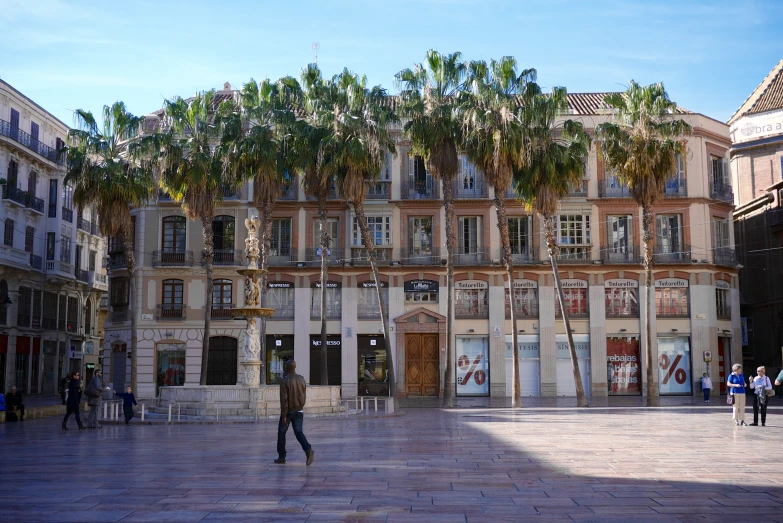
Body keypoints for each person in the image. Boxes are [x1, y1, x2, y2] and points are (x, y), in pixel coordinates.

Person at [275, 360, 314, 466]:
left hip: (289, 411)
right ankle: (308, 449)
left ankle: (282, 456)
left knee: (281, 432)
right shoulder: (301, 379)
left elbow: (284, 399)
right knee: (298, 432)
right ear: (295, 367)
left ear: (286, 367)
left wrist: (284, 414)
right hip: (299, 409)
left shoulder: (284, 380)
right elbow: (303, 394)